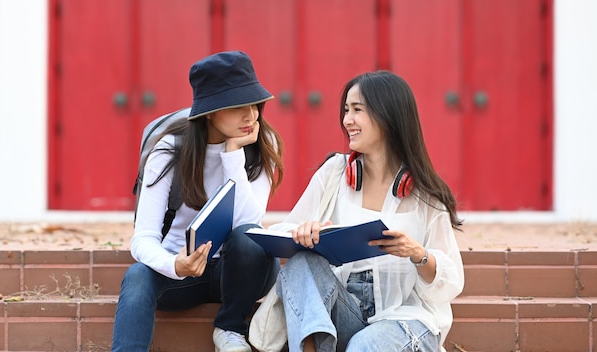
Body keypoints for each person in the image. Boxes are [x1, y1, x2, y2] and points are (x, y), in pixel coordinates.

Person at [264, 71, 464, 352]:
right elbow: (283, 231)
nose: (347, 120)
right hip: (348, 317)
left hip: (407, 320)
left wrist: (418, 254)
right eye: (346, 110)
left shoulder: (425, 193)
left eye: (357, 110)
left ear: (388, 115)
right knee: (301, 263)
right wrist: (302, 232)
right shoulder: (333, 174)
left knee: (363, 346)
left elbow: (452, 282)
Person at [111, 51, 284, 352]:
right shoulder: (169, 150)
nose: (251, 115)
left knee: (248, 237)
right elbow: (143, 239)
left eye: (254, 103)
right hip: (179, 275)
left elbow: (248, 223)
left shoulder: (261, 145)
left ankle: (229, 329)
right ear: (209, 111)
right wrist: (175, 264)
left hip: (241, 274)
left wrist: (232, 156)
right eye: (238, 106)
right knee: (137, 275)